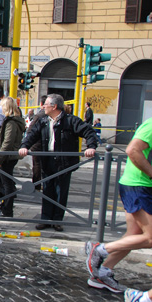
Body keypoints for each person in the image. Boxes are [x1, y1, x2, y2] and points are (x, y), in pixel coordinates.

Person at [85, 91, 152, 294]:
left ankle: (102, 273)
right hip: (137, 185)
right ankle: (99, 250)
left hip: (140, 185)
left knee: (134, 234)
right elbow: (132, 150)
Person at [19, 94, 98, 231]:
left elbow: (88, 131)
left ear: (54, 107)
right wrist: (24, 146)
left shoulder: (71, 121)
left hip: (64, 161)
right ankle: (45, 218)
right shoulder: (43, 121)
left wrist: (91, 147)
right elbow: (32, 135)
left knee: (61, 190)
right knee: (47, 188)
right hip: (47, 159)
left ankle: (57, 220)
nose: (43, 107)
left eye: (46, 104)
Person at [0, 97, 26, 218]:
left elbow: (7, 142)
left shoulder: (11, 122)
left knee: (6, 184)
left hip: (7, 157)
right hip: (11, 156)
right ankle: (5, 208)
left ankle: (7, 210)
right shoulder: (16, 120)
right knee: (7, 183)